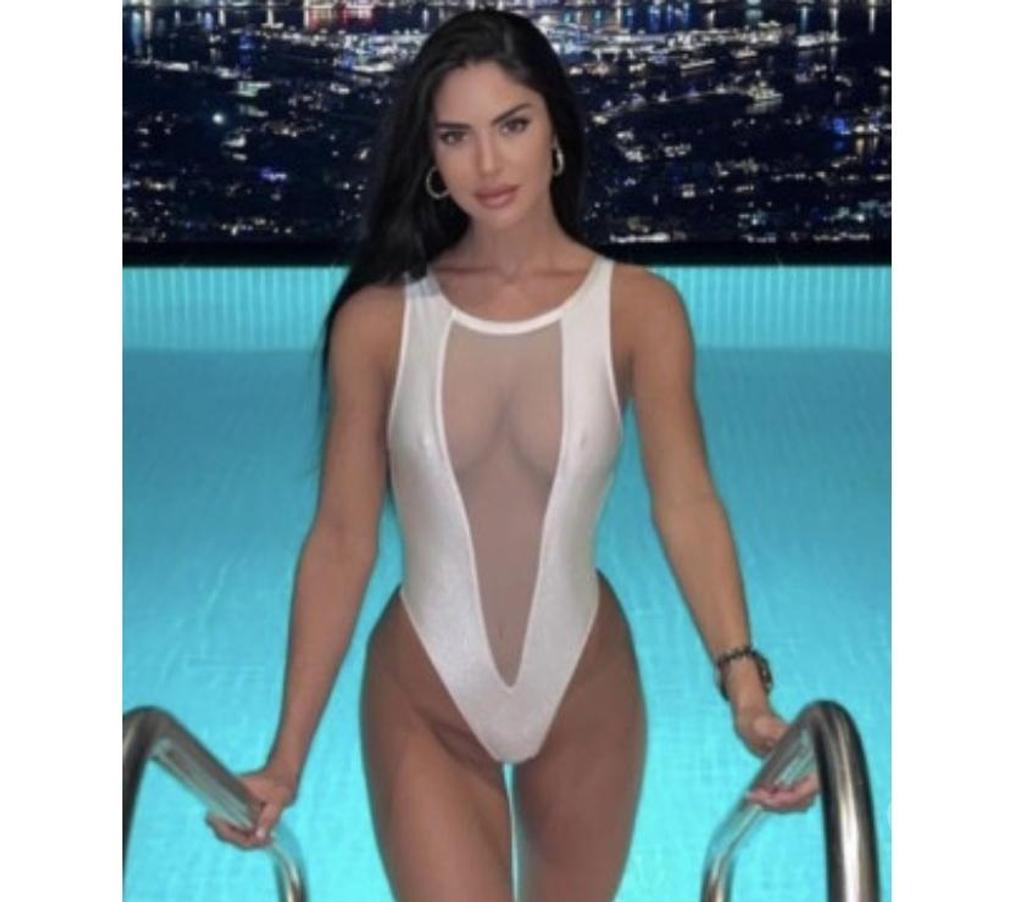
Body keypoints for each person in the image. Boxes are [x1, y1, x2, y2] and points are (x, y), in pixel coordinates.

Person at [207, 9, 817, 900]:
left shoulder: (640, 311)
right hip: (424, 698)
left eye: (512, 125)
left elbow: (686, 504)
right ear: (430, 153)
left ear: (555, 132)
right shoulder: (378, 324)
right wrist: (285, 760)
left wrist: (746, 690)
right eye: (456, 136)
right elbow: (341, 541)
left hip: (585, 694)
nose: (488, 164)